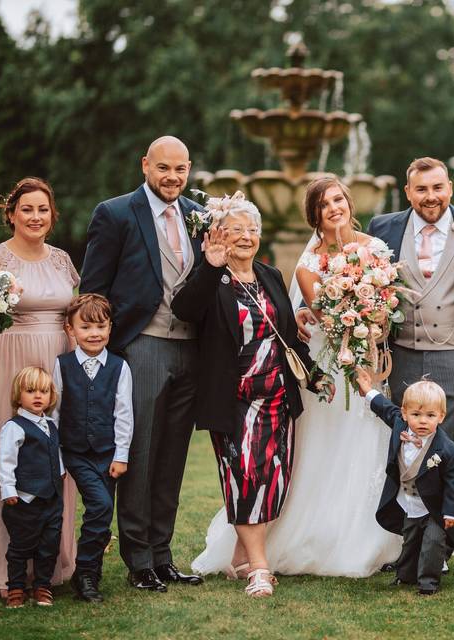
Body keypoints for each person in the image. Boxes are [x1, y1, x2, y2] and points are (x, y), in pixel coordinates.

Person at [173, 193, 327, 596]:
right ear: (218, 234)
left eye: (252, 229)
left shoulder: (270, 275)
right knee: (244, 476)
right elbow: (184, 309)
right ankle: (260, 567)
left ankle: (242, 556)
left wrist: (315, 376)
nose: (246, 237)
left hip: (277, 395)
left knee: (274, 478)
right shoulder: (210, 277)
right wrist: (211, 266)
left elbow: (288, 337)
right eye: (237, 229)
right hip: (233, 398)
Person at [251, 176, 401, 577]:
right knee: (328, 445)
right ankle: (322, 536)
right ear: (314, 215)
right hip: (331, 362)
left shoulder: (377, 250)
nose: (333, 208)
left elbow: (386, 308)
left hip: (369, 356)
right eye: (323, 204)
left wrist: (375, 317)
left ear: (349, 202)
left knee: (367, 441)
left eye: (338, 199)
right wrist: (355, 308)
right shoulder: (307, 265)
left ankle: (376, 538)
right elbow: (328, 317)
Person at [79, 136, 204, 591]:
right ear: (145, 165)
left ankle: (164, 554)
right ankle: (139, 560)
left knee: (172, 458)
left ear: (189, 169)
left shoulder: (197, 215)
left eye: (181, 169)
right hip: (141, 346)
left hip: (191, 348)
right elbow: (93, 291)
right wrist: (102, 355)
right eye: (164, 168)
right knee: (141, 453)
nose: (172, 177)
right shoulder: (114, 214)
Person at [0, 177, 79, 593]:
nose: (35, 217)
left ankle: (53, 565)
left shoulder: (63, 260)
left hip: (56, 359)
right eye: (26, 209)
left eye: (42, 210)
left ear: (52, 216)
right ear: (10, 214)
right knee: (6, 450)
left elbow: (74, 311)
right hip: (8, 359)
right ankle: (3, 568)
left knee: (55, 451)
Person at [365, 157, 454, 457]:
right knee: (397, 452)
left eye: (437, 187)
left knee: (451, 454)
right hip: (399, 360)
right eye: (421, 189)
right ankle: (402, 507)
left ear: (450, 188)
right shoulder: (382, 227)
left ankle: (447, 507)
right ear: (408, 192)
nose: (430, 196)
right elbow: (352, 268)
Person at [52, 294, 133, 602]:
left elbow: (124, 414)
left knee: (101, 515)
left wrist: (121, 455)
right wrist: (57, 459)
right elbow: (54, 413)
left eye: (101, 326)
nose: (94, 333)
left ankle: (88, 575)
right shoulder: (62, 366)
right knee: (99, 507)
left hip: (107, 454)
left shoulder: (118, 367)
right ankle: (86, 574)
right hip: (73, 452)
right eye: (85, 327)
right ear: (70, 330)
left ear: (110, 328)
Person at [354, 373, 454, 596]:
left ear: (441, 416)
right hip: (409, 504)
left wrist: (452, 513)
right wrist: (368, 391)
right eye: (416, 414)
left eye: (430, 415)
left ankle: (428, 583)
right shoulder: (399, 425)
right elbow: (385, 408)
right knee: (410, 541)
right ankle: (405, 576)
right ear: (405, 413)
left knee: (433, 543)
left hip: (434, 509)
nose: (423, 421)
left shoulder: (449, 450)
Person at [0, 366, 65, 608]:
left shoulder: (51, 424)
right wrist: (8, 490)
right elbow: (6, 461)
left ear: (50, 396)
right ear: (18, 395)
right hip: (24, 501)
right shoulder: (14, 427)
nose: (38, 396)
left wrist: (61, 473)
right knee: (20, 547)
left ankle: (42, 586)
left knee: (49, 546)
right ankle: (15, 587)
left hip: (52, 500)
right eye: (31, 390)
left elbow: (55, 453)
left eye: (44, 391)